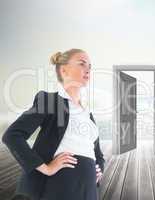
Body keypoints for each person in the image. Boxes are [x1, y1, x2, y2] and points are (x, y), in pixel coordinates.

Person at [2, 48, 105, 200]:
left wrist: (99, 169)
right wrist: (46, 168)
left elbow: (98, 153)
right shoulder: (49, 101)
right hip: (60, 185)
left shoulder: (88, 115)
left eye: (90, 66)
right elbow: (12, 136)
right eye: (82, 64)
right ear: (64, 70)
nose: (88, 69)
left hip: (89, 190)